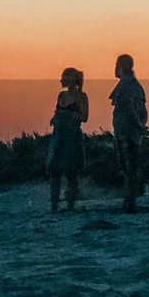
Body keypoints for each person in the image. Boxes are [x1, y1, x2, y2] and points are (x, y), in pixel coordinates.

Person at [109, 54, 149, 213]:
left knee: (129, 167)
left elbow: (130, 108)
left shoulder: (127, 84)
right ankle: (129, 201)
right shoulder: (131, 85)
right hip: (127, 131)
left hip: (128, 133)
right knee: (128, 168)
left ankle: (130, 202)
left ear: (121, 66)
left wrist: (139, 126)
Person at [46, 67, 88, 212]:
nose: (61, 80)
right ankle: (54, 205)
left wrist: (68, 115)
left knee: (71, 172)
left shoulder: (82, 96)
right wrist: (56, 117)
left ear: (70, 78)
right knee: (55, 171)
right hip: (59, 135)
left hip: (72, 136)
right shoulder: (61, 95)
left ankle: (70, 206)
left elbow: (84, 117)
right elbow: (56, 112)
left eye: (63, 77)